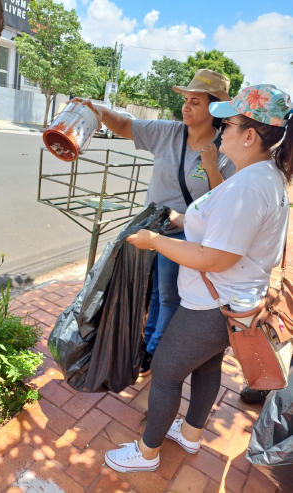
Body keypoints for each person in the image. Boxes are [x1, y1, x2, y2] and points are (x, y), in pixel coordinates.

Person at [103, 84, 293, 473]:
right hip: (231, 304)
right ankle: (190, 434)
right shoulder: (261, 176)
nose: (221, 130)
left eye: (229, 123)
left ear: (250, 135)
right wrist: (180, 220)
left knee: (168, 372)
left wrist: (155, 240)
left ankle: (146, 453)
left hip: (211, 305)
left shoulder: (249, 186)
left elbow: (215, 257)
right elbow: (224, 232)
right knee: (206, 368)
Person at [72, 69, 236, 376]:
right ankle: (149, 343)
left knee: (169, 296)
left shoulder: (225, 149)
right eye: (185, 100)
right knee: (154, 293)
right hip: (151, 230)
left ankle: (154, 352)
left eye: (195, 102)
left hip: (186, 235)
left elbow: (222, 202)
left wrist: (212, 166)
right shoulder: (168, 132)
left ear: (214, 108)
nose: (186, 107)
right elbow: (123, 124)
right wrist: (97, 109)